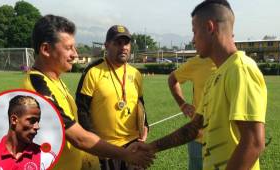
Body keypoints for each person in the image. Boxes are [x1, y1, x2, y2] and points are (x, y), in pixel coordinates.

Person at [23, 15, 154, 170]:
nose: (75, 54)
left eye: (74, 47)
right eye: (68, 48)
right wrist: (125, 155)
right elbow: (79, 138)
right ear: (45, 49)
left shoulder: (55, 81)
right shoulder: (38, 88)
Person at [147, 0, 267, 170]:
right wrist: (152, 147)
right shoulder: (215, 77)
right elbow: (195, 129)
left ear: (210, 27)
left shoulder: (241, 69)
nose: (193, 40)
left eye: (195, 32)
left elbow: (254, 142)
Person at [76, 25, 149, 170]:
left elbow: (140, 103)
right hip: (105, 149)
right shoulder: (93, 72)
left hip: (133, 146)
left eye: (126, 43)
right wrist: (95, 144)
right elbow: (82, 110)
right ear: (107, 45)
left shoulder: (136, 74)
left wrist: (145, 124)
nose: (123, 47)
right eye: (118, 43)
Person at [168, 54, 216, 170]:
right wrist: (183, 104)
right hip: (198, 139)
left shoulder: (236, 65)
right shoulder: (197, 61)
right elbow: (172, 79)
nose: (193, 40)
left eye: (196, 34)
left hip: (224, 141)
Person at [0, 95, 55, 170]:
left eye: (38, 121)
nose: (37, 127)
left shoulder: (47, 158)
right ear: (14, 120)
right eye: (32, 121)